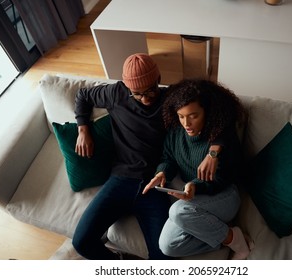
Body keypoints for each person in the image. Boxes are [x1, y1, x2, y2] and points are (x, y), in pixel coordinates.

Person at [72, 53, 221, 260]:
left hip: (154, 185)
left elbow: (217, 107)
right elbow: (83, 96)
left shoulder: (171, 97)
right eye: (137, 94)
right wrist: (83, 130)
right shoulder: (116, 93)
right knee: (81, 242)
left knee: (163, 257)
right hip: (120, 180)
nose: (146, 99)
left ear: (158, 78)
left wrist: (214, 151)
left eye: (150, 90)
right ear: (127, 88)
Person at [143, 79, 252, 259]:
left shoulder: (221, 139)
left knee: (178, 210)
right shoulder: (177, 132)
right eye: (181, 116)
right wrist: (162, 172)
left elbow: (220, 180)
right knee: (167, 246)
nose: (187, 123)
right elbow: (168, 158)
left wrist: (195, 186)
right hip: (194, 199)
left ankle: (238, 241)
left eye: (193, 115)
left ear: (206, 112)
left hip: (223, 196)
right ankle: (225, 235)